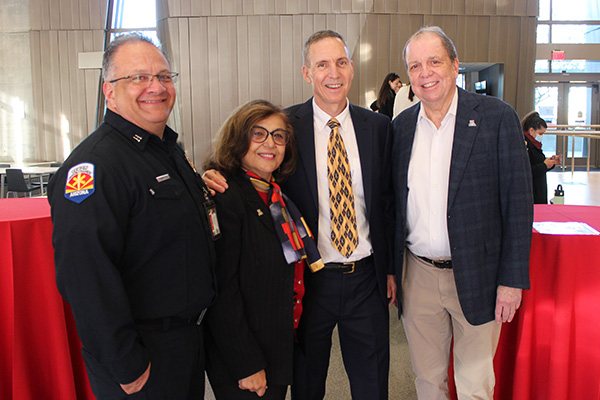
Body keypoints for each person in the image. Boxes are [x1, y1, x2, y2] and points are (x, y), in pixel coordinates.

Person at [204, 30, 395, 400]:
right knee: (307, 384)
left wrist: (389, 269)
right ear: (307, 73)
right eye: (322, 64)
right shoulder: (284, 128)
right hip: (309, 280)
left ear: (351, 68)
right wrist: (210, 175)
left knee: (372, 384)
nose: (333, 73)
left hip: (366, 280)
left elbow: (386, 202)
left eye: (341, 62)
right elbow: (248, 168)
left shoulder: (379, 128)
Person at [48, 33, 217, 399]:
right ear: (109, 91)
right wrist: (123, 360)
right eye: (138, 77)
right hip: (140, 353)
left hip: (185, 343)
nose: (155, 87)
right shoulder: (94, 166)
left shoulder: (166, 152)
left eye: (164, 76)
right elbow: (85, 274)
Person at [392, 26, 533, 399]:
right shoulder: (401, 128)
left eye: (434, 61)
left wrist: (512, 281)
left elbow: (518, 204)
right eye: (415, 66)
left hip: (480, 276)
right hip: (418, 276)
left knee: (475, 386)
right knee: (428, 381)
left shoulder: (497, 118)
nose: (425, 74)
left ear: (455, 66)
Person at [202, 100, 323, 399]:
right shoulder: (226, 197)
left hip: (276, 344)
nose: (270, 143)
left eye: (279, 136)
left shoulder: (278, 198)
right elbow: (222, 292)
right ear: (238, 139)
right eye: (258, 134)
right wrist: (247, 364)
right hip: (244, 357)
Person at [522, 111, 561, 204]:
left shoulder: (535, 144)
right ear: (531, 130)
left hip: (538, 189)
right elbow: (525, 170)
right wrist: (544, 165)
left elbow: (539, 163)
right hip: (531, 191)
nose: (541, 136)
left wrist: (550, 163)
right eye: (540, 133)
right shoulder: (524, 144)